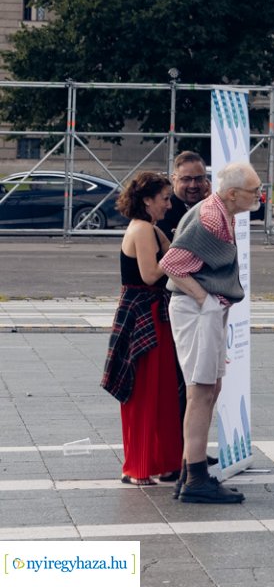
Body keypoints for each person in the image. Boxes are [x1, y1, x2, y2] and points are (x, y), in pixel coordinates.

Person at [159, 160, 262, 504]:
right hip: (196, 309)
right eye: (254, 191)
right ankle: (196, 478)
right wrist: (205, 301)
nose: (259, 196)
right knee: (201, 391)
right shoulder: (211, 216)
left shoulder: (219, 212)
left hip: (203, 308)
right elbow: (170, 263)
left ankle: (192, 473)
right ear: (233, 194)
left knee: (208, 388)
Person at [101, 170, 185, 486]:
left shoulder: (146, 228)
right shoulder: (142, 231)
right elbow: (151, 275)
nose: (168, 204)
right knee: (146, 392)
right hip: (144, 312)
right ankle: (139, 465)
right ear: (147, 200)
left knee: (159, 391)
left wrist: (167, 242)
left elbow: (162, 256)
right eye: (164, 198)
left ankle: (157, 462)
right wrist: (176, 254)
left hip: (147, 311)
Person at [155, 151, 211, 241]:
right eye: (186, 179)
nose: (193, 185)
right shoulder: (163, 210)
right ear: (174, 179)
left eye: (198, 179)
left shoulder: (212, 208)